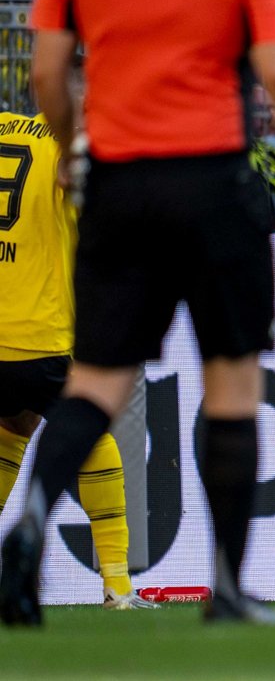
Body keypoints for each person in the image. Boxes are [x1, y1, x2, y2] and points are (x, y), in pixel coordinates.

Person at [0, 0, 275, 627]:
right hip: (213, 184)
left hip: (119, 185)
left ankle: (27, 527)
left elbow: (48, 72)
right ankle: (227, 589)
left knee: (94, 385)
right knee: (231, 385)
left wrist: (71, 144)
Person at [0, 108, 157, 611]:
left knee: (14, 425)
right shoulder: (72, 143)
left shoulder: (6, 127)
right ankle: (117, 585)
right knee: (92, 431)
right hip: (39, 330)